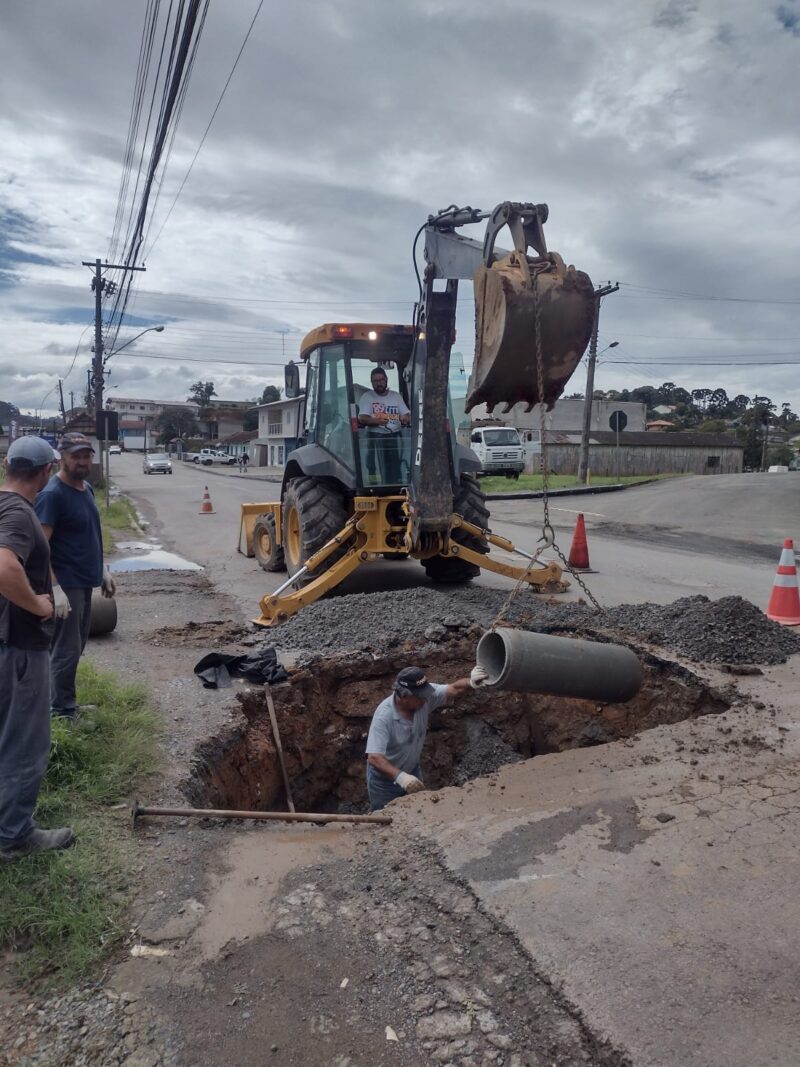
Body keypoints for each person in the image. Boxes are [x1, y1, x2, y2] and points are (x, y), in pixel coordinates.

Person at [0, 436, 75, 860]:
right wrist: (39, 605)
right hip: (19, 649)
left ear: (8, 464)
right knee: (25, 743)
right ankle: (13, 836)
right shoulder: (18, 512)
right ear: (46, 472)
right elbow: (4, 566)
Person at [34, 432, 115, 720]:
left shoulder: (87, 488)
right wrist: (54, 588)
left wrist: (102, 569)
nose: (82, 461)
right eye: (75, 456)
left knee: (77, 646)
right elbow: (39, 549)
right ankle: (61, 711)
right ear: (61, 458)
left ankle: (64, 702)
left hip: (84, 580)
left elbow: (88, 534)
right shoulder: (52, 495)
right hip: (65, 585)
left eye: (86, 456)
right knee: (65, 651)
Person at [365, 664, 488, 811]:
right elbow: (374, 757)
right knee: (386, 819)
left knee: (419, 812)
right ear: (404, 695)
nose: (426, 698)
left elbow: (454, 688)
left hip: (412, 770)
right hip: (384, 783)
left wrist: (471, 682)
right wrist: (401, 777)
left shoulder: (424, 698)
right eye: (420, 696)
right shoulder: (384, 716)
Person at [357, 367, 410, 484]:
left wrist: (405, 418)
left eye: (381, 380)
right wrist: (379, 421)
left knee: (395, 467)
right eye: (375, 381)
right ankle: (373, 486)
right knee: (373, 466)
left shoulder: (395, 396)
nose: (379, 383)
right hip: (374, 437)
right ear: (372, 383)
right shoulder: (367, 397)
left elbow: (406, 415)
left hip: (395, 437)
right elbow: (362, 418)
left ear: (386, 379)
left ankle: (397, 485)